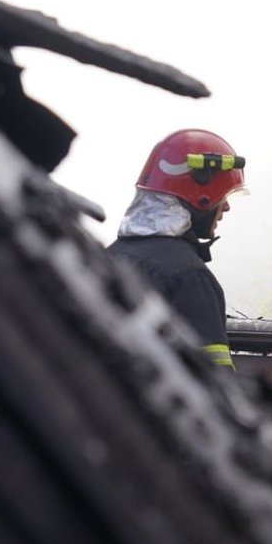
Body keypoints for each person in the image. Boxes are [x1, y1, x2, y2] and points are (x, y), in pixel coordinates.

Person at [107, 128, 245, 370]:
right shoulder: (189, 276)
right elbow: (214, 384)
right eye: (222, 197)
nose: (226, 208)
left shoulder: (112, 256)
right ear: (201, 196)